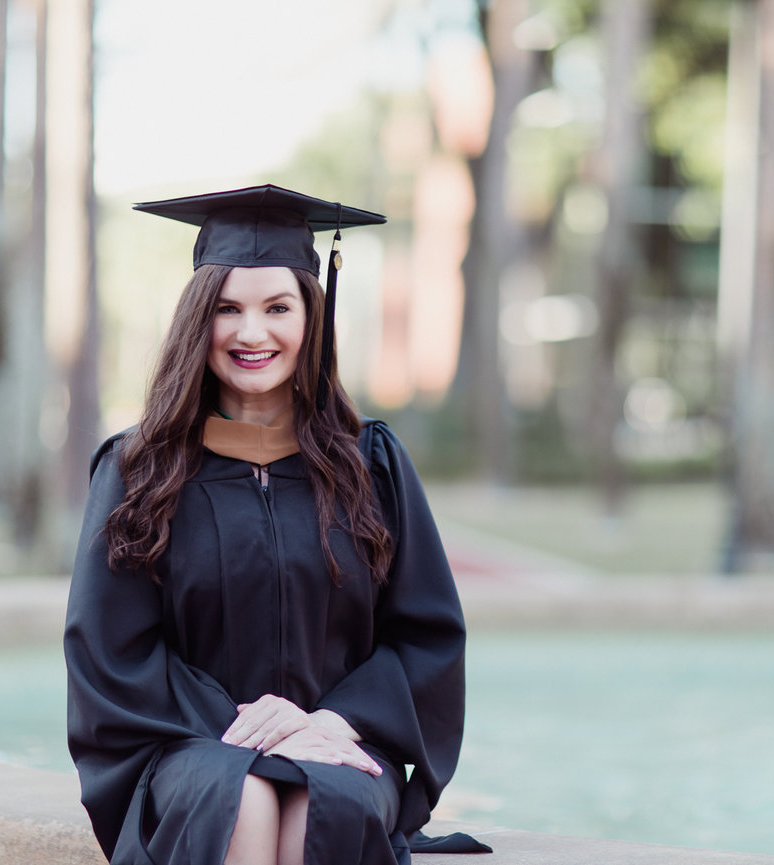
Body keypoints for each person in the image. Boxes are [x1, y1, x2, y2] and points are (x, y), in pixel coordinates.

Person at [64, 185, 487, 865]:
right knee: (240, 799)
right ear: (197, 320)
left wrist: (329, 721)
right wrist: (254, 729)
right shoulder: (139, 469)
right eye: (227, 308)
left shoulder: (370, 464)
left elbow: (425, 636)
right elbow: (111, 650)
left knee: (332, 799)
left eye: (277, 308)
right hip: (186, 742)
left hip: (338, 740)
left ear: (311, 318)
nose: (251, 333)